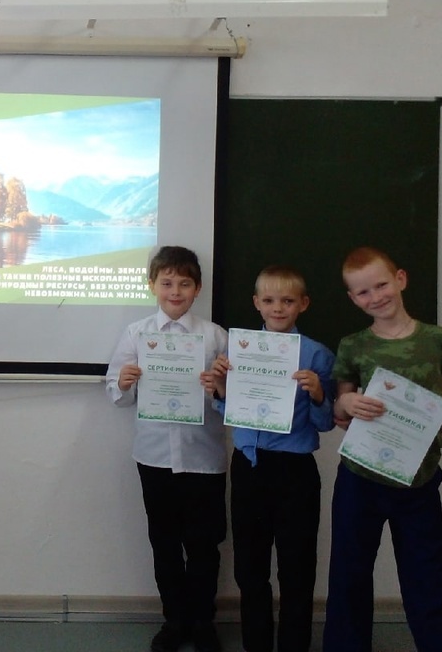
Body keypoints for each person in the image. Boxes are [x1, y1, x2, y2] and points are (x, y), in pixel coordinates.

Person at [322, 247, 442, 652]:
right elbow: (339, 411)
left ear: (400, 279)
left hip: (418, 480)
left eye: (381, 285)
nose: (376, 296)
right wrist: (346, 402)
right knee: (349, 576)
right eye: (363, 292)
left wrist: (415, 413)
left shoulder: (439, 339)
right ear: (353, 299)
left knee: (427, 576)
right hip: (360, 479)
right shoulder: (353, 345)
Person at [201, 266, 335, 652]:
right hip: (249, 465)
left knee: (297, 568)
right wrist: (220, 386)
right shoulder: (237, 350)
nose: (278, 308)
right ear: (257, 303)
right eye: (270, 300)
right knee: (250, 567)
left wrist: (317, 394)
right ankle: (256, 644)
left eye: (288, 301)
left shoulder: (316, 354)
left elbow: (326, 423)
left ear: (303, 304)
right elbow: (228, 409)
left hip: (295, 471)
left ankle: (294, 645)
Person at [106, 245, 229, 652]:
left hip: (204, 459)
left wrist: (218, 388)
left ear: (198, 289)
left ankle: (203, 622)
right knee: (164, 543)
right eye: (167, 283)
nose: (175, 291)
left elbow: (234, 400)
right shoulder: (137, 334)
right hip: (154, 457)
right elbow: (116, 393)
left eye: (185, 284)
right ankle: (174, 621)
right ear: (152, 286)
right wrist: (124, 381)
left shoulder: (215, 336)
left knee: (204, 545)